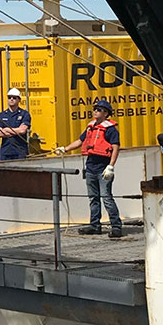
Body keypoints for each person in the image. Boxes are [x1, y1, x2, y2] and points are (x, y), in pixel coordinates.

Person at [56, 98, 122, 237]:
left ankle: (116, 226)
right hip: (91, 168)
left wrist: (111, 166)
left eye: (98, 110)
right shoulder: (91, 127)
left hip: (103, 169)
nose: (95, 111)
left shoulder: (110, 130)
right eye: (95, 109)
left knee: (107, 198)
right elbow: (80, 141)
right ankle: (95, 225)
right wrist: (65, 149)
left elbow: (116, 148)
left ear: (106, 113)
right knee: (93, 198)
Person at [0, 88, 31, 160]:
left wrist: (7, 129)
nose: (11, 99)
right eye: (9, 97)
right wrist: (16, 131)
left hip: (20, 152)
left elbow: (22, 131)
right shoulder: (1, 115)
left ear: (19, 100)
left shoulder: (24, 114)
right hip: (6, 152)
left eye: (14, 98)